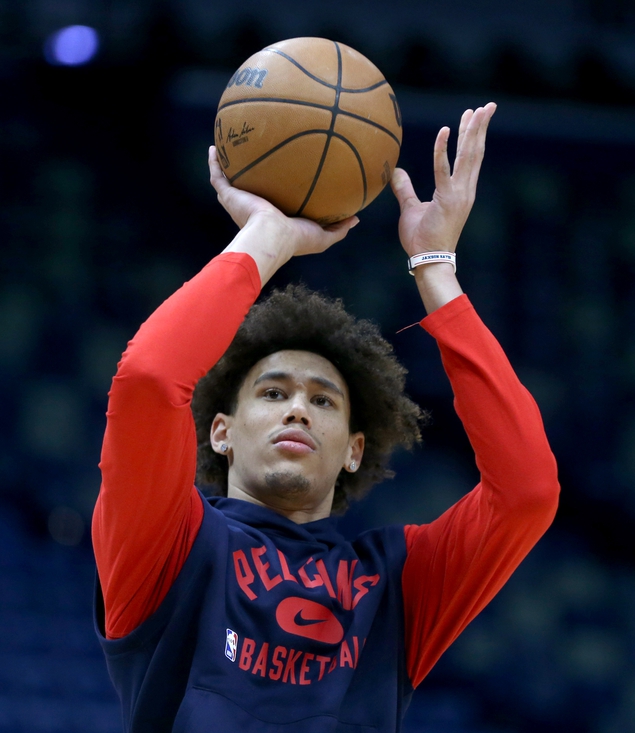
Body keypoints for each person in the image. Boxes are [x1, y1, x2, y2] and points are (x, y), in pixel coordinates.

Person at [92, 102, 560, 732]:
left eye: (323, 401)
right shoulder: (168, 542)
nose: (297, 409)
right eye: (272, 392)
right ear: (221, 432)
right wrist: (266, 239)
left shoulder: (396, 584)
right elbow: (149, 378)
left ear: (353, 450)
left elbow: (527, 490)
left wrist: (436, 267)